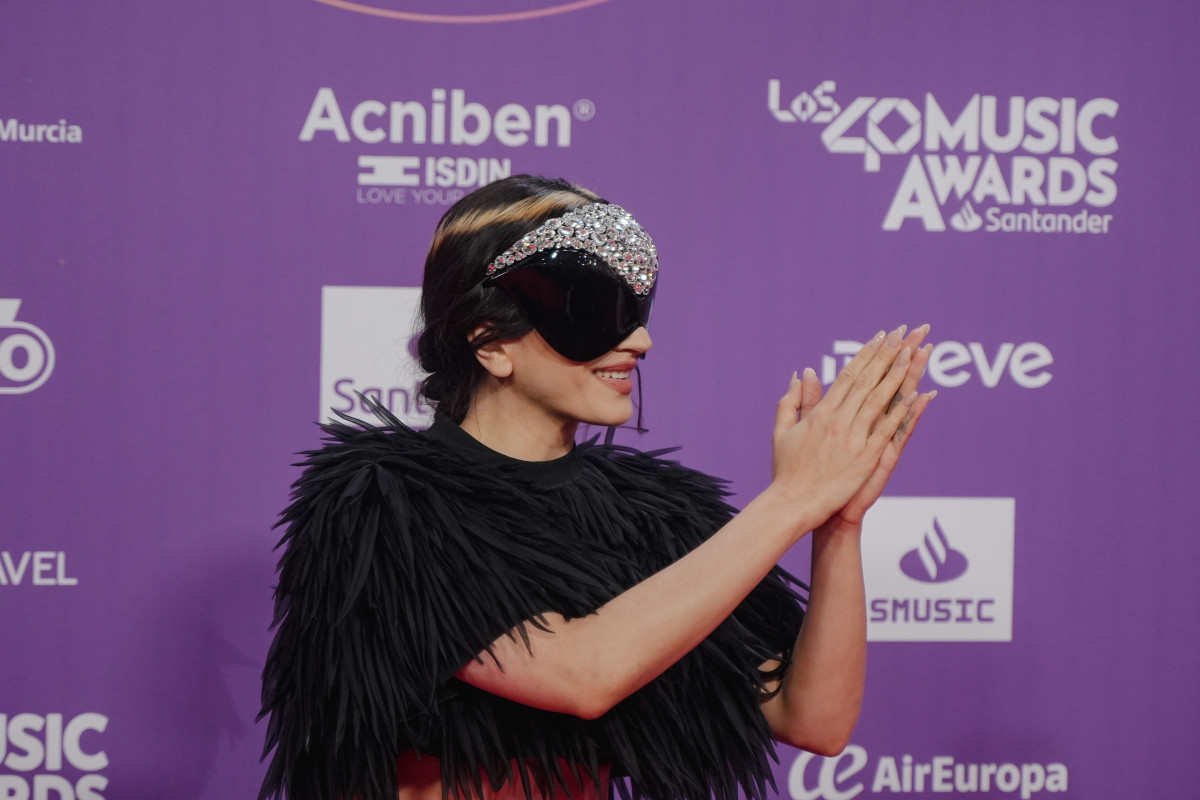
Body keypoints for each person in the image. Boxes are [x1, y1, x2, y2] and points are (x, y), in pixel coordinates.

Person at [258, 175, 935, 800]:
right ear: (490, 341)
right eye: (594, 310)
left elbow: (812, 719)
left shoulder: (657, 515)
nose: (639, 340)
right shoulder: (381, 502)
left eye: (637, 307)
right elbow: (581, 674)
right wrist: (790, 499)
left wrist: (836, 521)